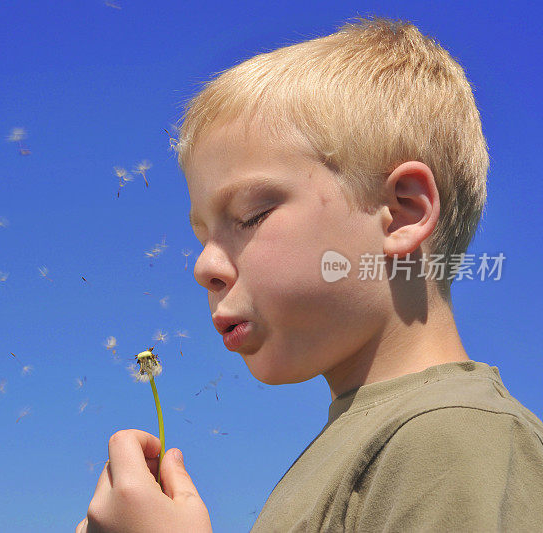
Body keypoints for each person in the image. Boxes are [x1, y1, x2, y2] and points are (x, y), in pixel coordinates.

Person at [75, 15, 543, 532]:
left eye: (250, 216)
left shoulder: (453, 438)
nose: (204, 266)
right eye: (202, 237)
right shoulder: (370, 446)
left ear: (403, 212)